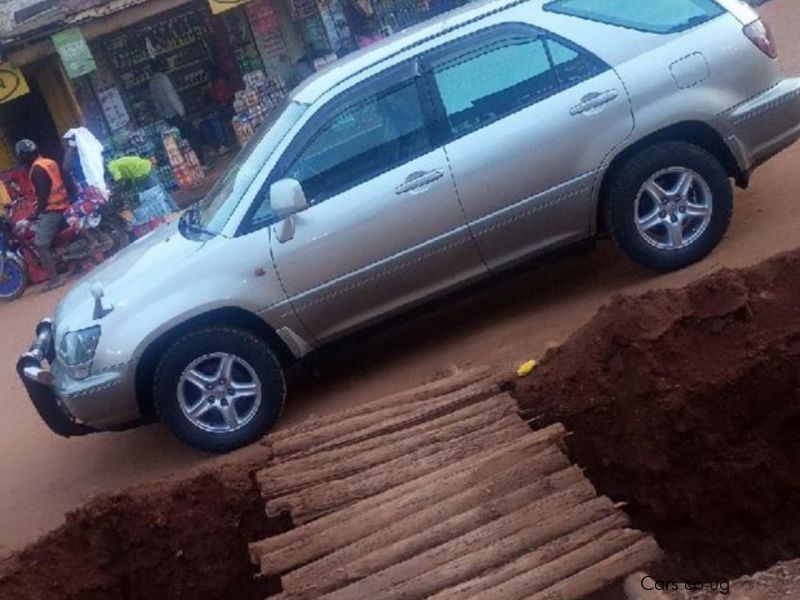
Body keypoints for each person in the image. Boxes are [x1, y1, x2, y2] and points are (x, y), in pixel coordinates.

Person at [14, 139, 73, 291]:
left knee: (40, 244)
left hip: (53, 209)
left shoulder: (37, 170)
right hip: (63, 204)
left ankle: (54, 279)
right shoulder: (48, 162)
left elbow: (43, 197)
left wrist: (30, 217)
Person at [148, 58, 207, 167]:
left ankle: (189, 166)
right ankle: (200, 162)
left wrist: (163, 117)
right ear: (160, 66)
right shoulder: (162, 78)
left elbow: (156, 102)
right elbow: (171, 96)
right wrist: (181, 112)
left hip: (167, 116)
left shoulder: (152, 82)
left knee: (179, 142)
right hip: (175, 114)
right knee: (192, 137)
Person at [107, 156, 177, 237]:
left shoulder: (112, 167)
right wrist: (120, 192)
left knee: (159, 192)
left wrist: (116, 191)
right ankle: (162, 216)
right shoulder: (116, 166)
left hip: (145, 171)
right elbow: (126, 182)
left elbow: (118, 179)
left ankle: (174, 209)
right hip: (140, 175)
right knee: (149, 199)